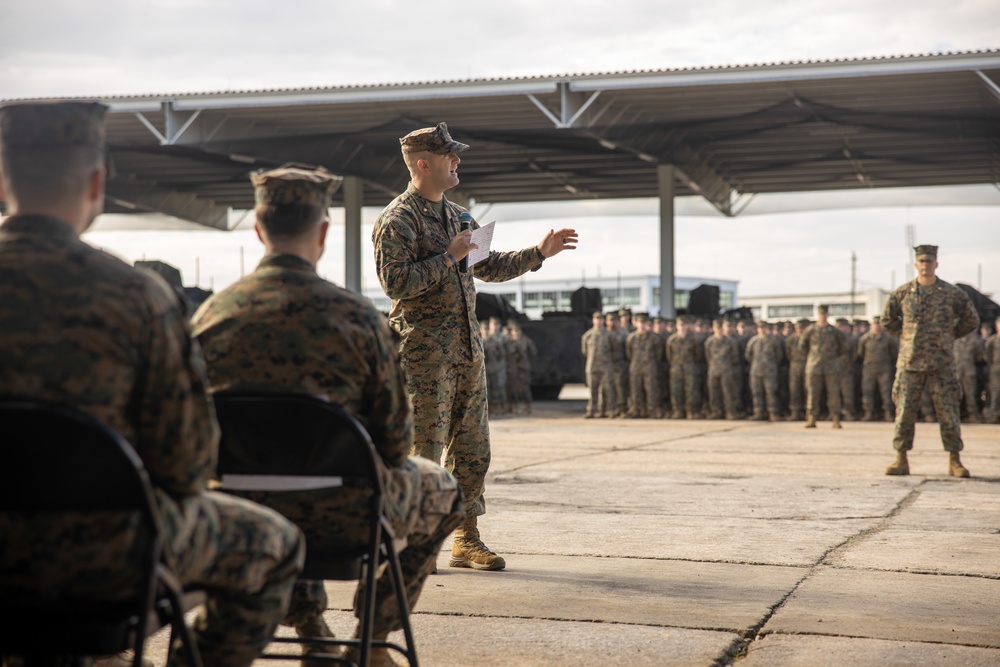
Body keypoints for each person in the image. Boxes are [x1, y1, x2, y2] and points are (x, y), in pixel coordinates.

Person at [0, 101, 305, 667]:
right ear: (97, 182)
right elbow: (187, 466)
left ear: (2, 178)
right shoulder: (137, 297)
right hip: (105, 555)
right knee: (276, 543)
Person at [191, 165, 464, 666]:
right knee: (444, 491)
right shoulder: (358, 318)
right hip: (348, 519)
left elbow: (184, 441)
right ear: (322, 232)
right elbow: (393, 444)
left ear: (258, 229)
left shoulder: (209, 318)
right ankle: (376, 636)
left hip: (238, 514)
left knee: (285, 472)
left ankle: (313, 624)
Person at [371, 122, 578, 571]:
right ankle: (408, 542)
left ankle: (466, 538)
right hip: (422, 358)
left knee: (472, 450)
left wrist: (538, 253)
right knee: (420, 453)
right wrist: (448, 258)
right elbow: (396, 284)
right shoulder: (397, 219)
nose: (458, 161)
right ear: (423, 164)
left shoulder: (460, 217)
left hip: (467, 353)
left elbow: (490, 267)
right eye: (450, 156)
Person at [882, 245, 980, 477]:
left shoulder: (951, 293)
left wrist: (949, 336)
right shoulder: (903, 293)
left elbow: (971, 319)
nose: (925, 265)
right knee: (905, 411)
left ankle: (954, 459)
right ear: (916, 265)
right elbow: (888, 320)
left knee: (948, 412)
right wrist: (906, 337)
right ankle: (901, 458)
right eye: (922, 261)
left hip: (942, 363)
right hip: (910, 362)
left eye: (929, 261)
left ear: (936, 264)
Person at [799, 304, 847, 429]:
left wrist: (833, 358)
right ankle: (811, 419)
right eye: (821, 314)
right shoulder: (810, 330)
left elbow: (843, 347)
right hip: (814, 367)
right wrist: (813, 356)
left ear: (828, 315)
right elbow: (802, 346)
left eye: (825, 314)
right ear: (817, 315)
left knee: (834, 394)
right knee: (813, 394)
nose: (823, 316)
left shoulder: (834, 331)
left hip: (831, 367)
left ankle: (835, 419)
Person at [856, 315, 899, 421]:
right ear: (872, 325)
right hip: (869, 369)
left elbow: (894, 354)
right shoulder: (865, 338)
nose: (877, 326)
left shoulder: (889, 338)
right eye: (875, 324)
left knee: (886, 392)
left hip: (884, 369)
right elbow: (860, 354)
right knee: (867, 392)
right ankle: (868, 413)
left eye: (879, 324)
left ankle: (888, 413)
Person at [745, 321, 785, 421]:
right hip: (756, 370)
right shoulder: (753, 341)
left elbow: (779, 356)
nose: (762, 330)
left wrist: (771, 365)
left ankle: (773, 412)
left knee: (771, 392)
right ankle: (758, 412)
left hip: (770, 371)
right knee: (756, 392)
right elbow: (748, 355)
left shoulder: (774, 341)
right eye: (760, 328)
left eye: (764, 328)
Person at [624, 314, 663, 418]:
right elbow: (628, 353)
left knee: (651, 390)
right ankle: (636, 410)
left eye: (644, 323)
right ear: (636, 323)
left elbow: (658, 354)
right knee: (635, 390)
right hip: (636, 368)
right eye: (639, 323)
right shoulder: (631, 338)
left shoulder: (654, 339)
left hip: (650, 368)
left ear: (647, 324)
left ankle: (652, 411)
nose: (641, 325)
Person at [704, 319, 743, 420]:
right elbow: (708, 356)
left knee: (729, 392)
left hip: (727, 370)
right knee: (714, 392)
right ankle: (716, 411)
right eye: (716, 328)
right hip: (713, 370)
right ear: (713, 328)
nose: (718, 330)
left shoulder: (730, 341)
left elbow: (735, 356)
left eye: (720, 328)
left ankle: (730, 412)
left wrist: (727, 365)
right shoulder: (710, 341)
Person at [581, 311, 616, 418]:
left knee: (607, 389)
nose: (598, 321)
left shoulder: (609, 335)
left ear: (603, 321)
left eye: (600, 319)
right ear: (593, 320)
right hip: (592, 366)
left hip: (606, 366)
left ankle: (608, 410)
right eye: (596, 319)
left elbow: (614, 350)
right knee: (593, 389)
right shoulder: (587, 335)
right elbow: (585, 351)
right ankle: (591, 410)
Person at [953, 328, 985, 423]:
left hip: (969, 373)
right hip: (957, 373)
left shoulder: (974, 342)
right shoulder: (955, 342)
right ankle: (957, 415)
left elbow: (979, 356)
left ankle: (973, 415)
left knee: (971, 395)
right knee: (956, 396)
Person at [986, 318, 1000, 423]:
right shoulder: (992, 340)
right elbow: (987, 356)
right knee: (995, 393)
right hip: (996, 370)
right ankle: (994, 416)